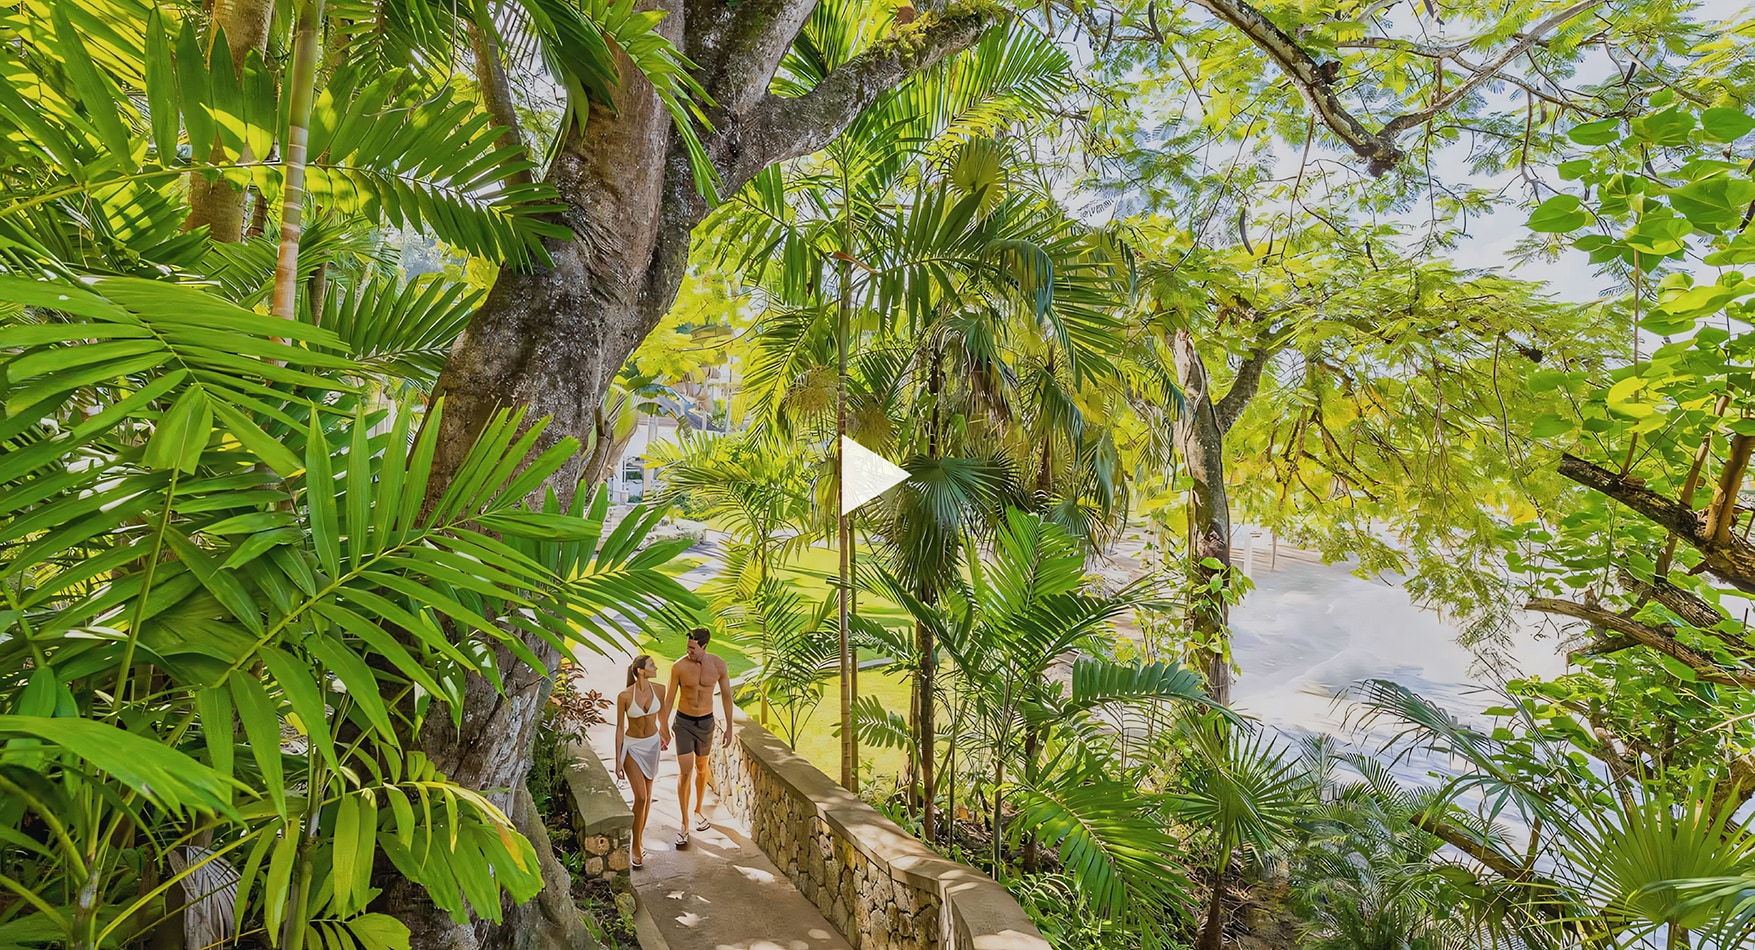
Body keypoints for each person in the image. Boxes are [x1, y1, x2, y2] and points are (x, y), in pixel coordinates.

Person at [664, 627, 733, 847]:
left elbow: (727, 696)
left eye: (693, 648)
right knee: (685, 772)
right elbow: (669, 698)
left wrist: (729, 727)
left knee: (702, 768)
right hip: (683, 722)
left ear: (704, 646)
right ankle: (684, 824)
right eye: (688, 647)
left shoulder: (719, 665)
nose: (689, 651)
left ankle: (697, 811)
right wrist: (663, 725)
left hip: (705, 723)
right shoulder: (679, 667)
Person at [614, 654, 669, 868]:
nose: (656, 667)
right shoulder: (625, 696)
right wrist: (618, 760)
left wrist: (665, 733)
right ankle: (635, 845)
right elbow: (620, 728)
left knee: (647, 798)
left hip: (652, 745)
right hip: (633, 747)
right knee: (641, 796)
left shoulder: (660, 690)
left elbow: (662, 715)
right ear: (641, 671)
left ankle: (639, 838)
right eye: (651, 665)